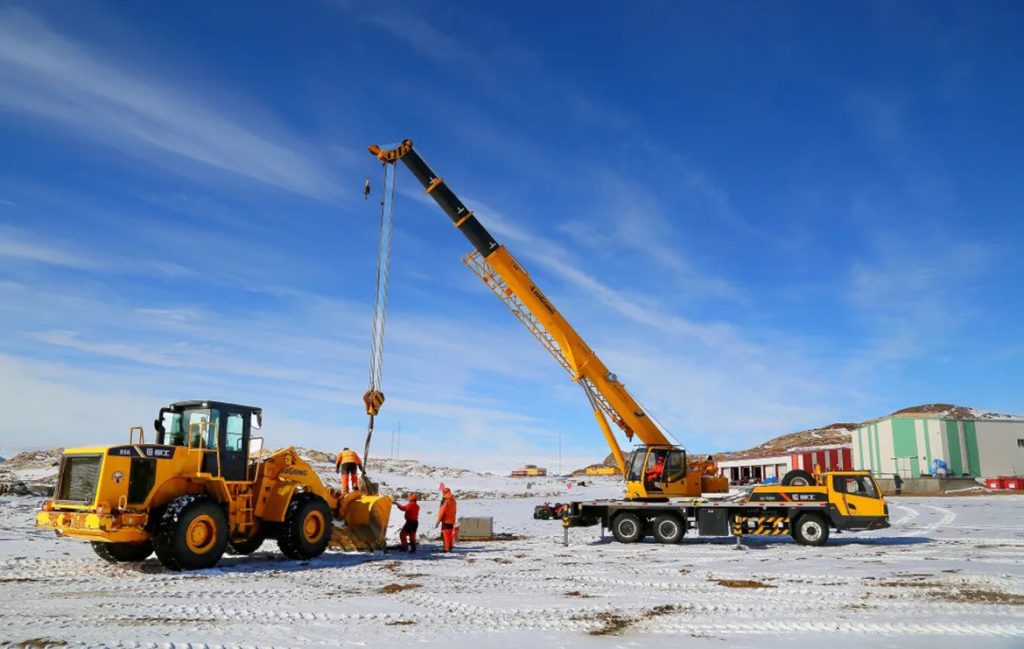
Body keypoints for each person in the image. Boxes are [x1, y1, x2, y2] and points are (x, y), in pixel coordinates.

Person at [436, 487, 457, 552]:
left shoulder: (446, 501)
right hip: (452, 520)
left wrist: (438, 521)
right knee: (450, 534)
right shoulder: (453, 500)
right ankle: (450, 547)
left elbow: (441, 511)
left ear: (444, 493)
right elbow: (455, 511)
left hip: (446, 520)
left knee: (445, 535)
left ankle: (446, 548)